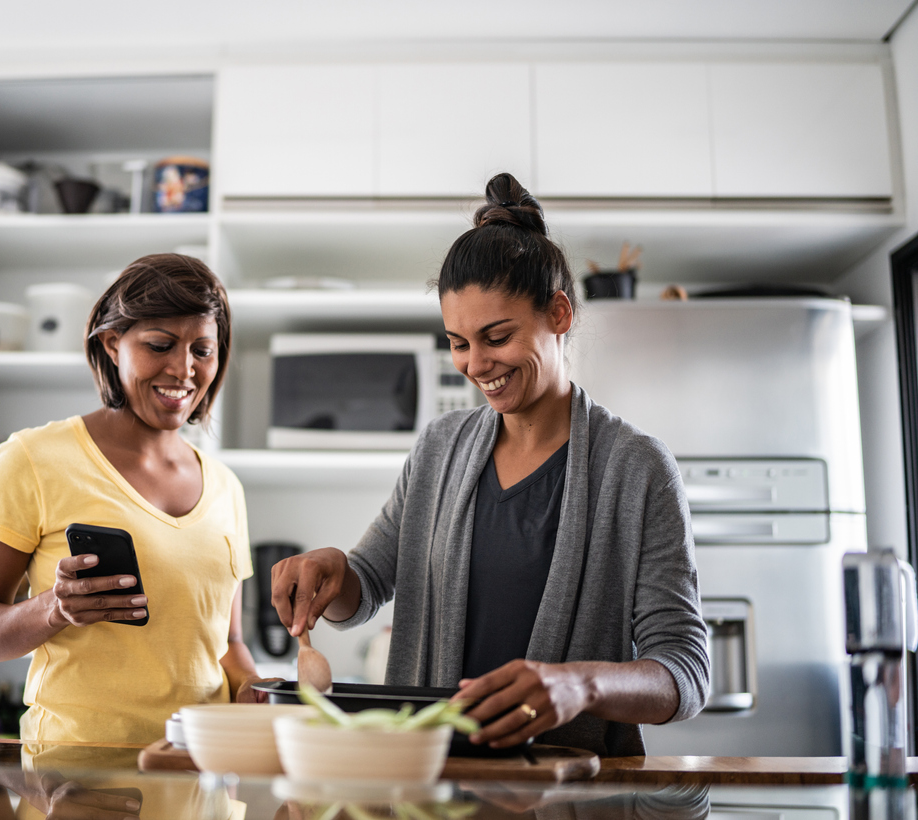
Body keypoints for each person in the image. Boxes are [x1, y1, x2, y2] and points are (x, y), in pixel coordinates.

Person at [270, 174, 710, 757]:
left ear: (558, 313)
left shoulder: (638, 469)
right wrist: (333, 574)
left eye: (496, 336)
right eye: (457, 342)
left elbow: (685, 670)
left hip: (569, 795)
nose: (476, 365)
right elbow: (367, 586)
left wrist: (579, 686)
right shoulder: (439, 448)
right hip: (432, 786)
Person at [0, 253, 264, 744]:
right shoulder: (32, 459)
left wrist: (254, 686)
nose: (184, 370)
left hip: (202, 774)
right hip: (73, 782)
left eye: (203, 350)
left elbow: (227, 644)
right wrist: (54, 608)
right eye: (160, 345)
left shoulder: (226, 486)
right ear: (112, 343)